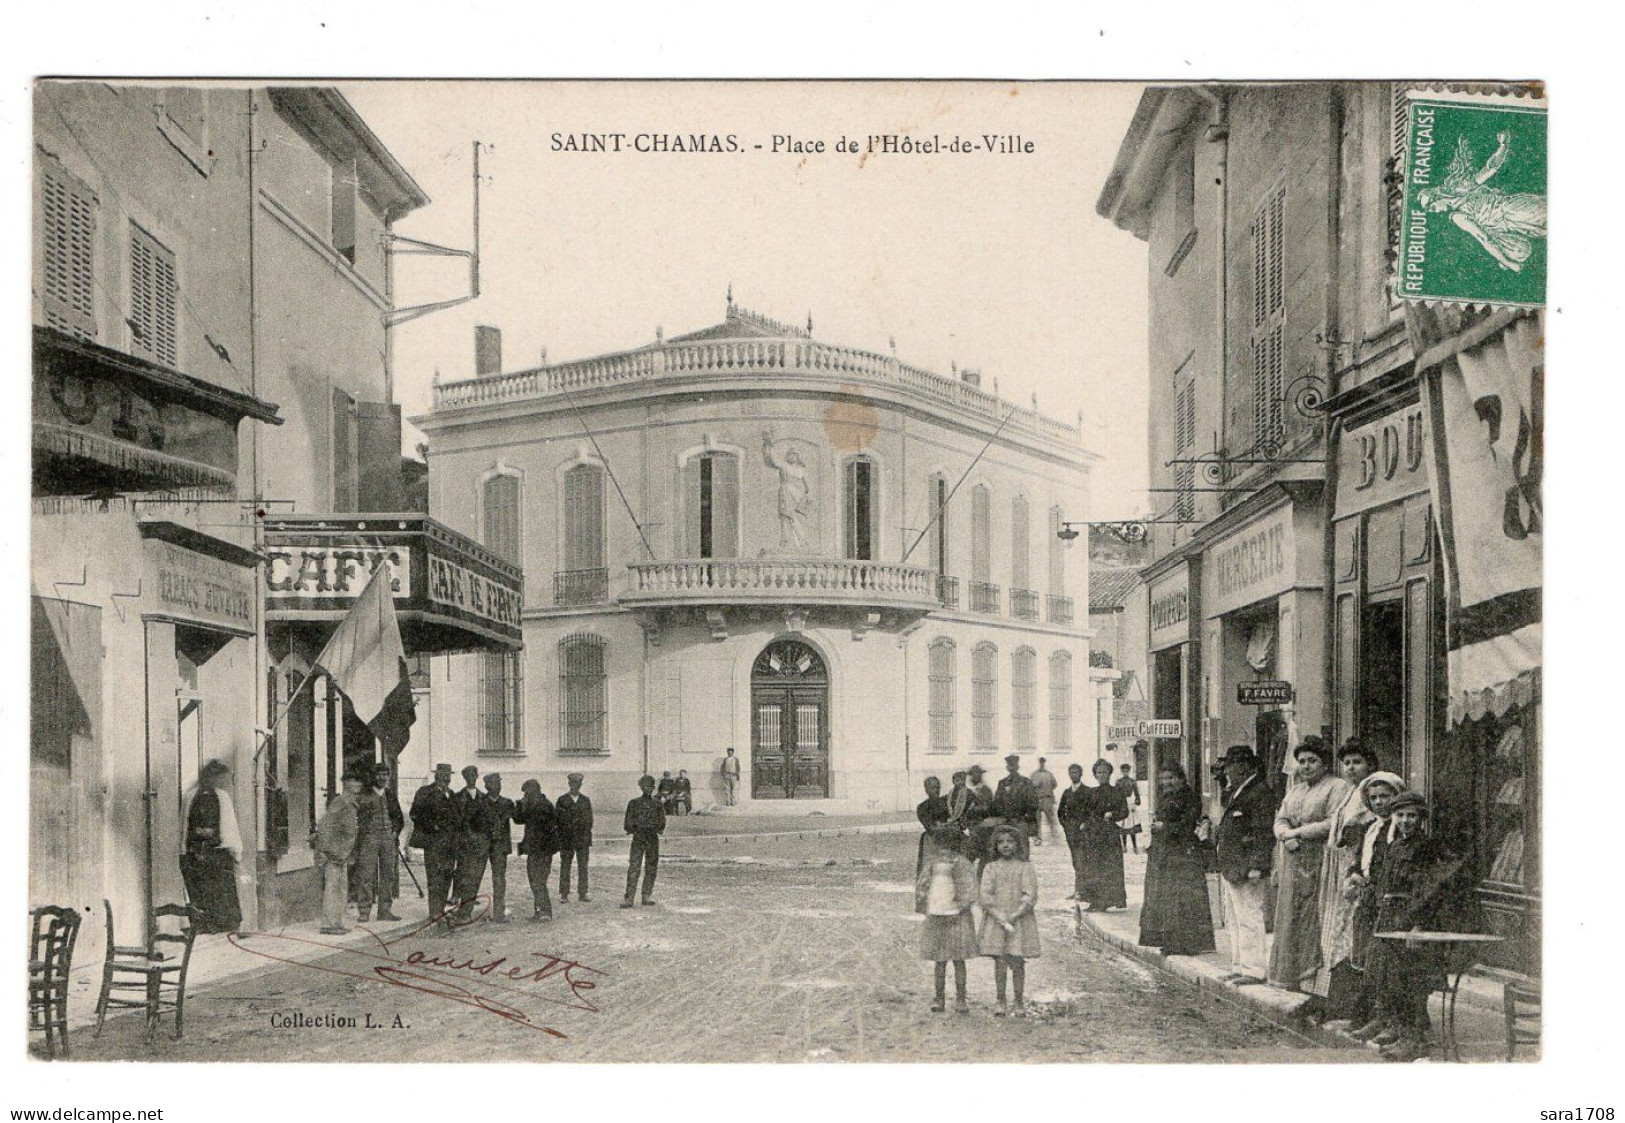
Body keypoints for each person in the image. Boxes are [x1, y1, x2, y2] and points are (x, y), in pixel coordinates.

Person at [1356, 791, 1473, 1062]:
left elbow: (1430, 890)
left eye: (1411, 815)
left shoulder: (1427, 847)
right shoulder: (1396, 846)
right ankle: (1395, 1026)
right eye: (1401, 815)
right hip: (1388, 917)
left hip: (1411, 919)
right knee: (1385, 975)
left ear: (1421, 818)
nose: (1406, 820)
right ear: (1394, 817)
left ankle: (1415, 1038)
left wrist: (1419, 925)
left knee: (1410, 980)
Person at [1267, 737, 1351, 991]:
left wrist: (1298, 833)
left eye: (1312, 761)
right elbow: (1280, 818)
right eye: (1302, 761)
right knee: (1290, 916)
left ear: (1324, 763)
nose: (1306, 766)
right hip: (1293, 861)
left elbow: (1332, 822)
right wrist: (1284, 834)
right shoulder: (1296, 789)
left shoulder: (1337, 787)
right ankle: (1291, 977)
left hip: (1321, 860)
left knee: (1314, 918)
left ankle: (1313, 983)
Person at [1310, 740, 1383, 1021]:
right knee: (1337, 933)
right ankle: (1334, 1000)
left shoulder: (1374, 792)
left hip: (1358, 868)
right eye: (1347, 763)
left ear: (1370, 765)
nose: (1351, 768)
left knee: (1352, 935)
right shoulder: (1351, 792)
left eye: (1357, 762)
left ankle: (1354, 1005)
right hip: (1341, 867)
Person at [1342, 771, 1407, 1036]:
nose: (1380, 802)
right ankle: (1373, 1016)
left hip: (1388, 902)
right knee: (1367, 959)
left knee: (1385, 963)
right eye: (1374, 798)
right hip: (1368, 900)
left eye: (1385, 797)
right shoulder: (1371, 828)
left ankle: (1389, 1019)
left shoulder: (1399, 828)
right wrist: (1354, 875)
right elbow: (1361, 861)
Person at [1137, 761, 1216, 957]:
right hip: (1165, 853)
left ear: (1181, 778)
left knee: (1181, 900)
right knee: (1167, 898)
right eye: (1163, 779)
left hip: (1182, 854)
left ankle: (1185, 943)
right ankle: (1169, 939)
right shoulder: (1166, 797)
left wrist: (1165, 828)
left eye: (1171, 778)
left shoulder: (1189, 798)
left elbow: (1188, 825)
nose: (1167, 782)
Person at [1213, 745, 1276, 985]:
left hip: (1247, 865)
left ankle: (1254, 969)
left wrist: (1258, 865)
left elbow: (1263, 833)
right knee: (1236, 918)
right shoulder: (1240, 790)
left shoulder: (1259, 792)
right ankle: (1240, 965)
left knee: (1250, 916)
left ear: (1244, 766)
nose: (1228, 770)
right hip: (1233, 865)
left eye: (1231, 765)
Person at [978, 825, 1040, 1017]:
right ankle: (1000, 999)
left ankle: (1019, 1001)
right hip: (997, 920)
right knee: (1000, 961)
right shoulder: (990, 868)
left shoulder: (1025, 867)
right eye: (1001, 842)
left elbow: (1030, 895)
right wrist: (999, 916)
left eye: (1010, 842)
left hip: (1019, 920)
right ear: (995, 846)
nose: (1005, 846)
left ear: (1017, 845)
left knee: (1018, 960)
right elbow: (985, 896)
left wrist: (1014, 915)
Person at [916, 825, 978, 1014]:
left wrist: (960, 906)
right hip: (936, 914)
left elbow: (969, 889)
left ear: (956, 845)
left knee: (959, 960)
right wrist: (925, 902)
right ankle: (939, 997)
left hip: (957, 916)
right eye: (941, 844)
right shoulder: (931, 864)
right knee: (939, 960)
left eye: (948, 845)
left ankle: (961, 998)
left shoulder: (962, 864)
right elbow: (922, 885)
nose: (944, 849)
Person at [180, 759, 244, 934]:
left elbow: (185, 827)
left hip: (201, 851)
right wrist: (235, 851)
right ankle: (215, 923)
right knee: (212, 888)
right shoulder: (217, 797)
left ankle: (213, 923)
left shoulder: (194, 796)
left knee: (209, 888)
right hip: (213, 852)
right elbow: (229, 829)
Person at [312, 771, 363, 936]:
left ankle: (337, 922)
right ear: (344, 783)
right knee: (333, 888)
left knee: (341, 888)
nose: (357, 784)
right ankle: (329, 923)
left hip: (342, 854)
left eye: (359, 781)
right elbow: (325, 826)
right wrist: (329, 851)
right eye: (353, 780)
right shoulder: (340, 802)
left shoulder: (350, 802)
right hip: (334, 854)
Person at [409, 763, 460, 926]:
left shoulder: (451, 794)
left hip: (449, 843)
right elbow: (415, 814)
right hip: (433, 841)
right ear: (436, 775)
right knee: (434, 875)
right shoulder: (425, 793)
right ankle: (434, 912)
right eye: (443, 774)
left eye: (448, 775)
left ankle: (441, 909)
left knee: (446, 875)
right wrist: (432, 826)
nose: (446, 777)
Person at [353, 762, 403, 923]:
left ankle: (385, 910)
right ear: (374, 776)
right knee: (366, 874)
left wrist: (395, 832)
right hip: (370, 838)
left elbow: (398, 817)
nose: (382, 778)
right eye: (379, 774)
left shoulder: (390, 794)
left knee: (388, 874)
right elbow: (357, 817)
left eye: (385, 775)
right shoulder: (364, 795)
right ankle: (364, 910)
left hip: (388, 838)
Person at [1077, 759, 1129, 911]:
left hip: (1109, 835)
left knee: (1109, 868)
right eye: (1099, 772)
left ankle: (1108, 900)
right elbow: (1085, 812)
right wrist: (1084, 823)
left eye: (1105, 772)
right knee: (1094, 867)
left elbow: (1124, 811)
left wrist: (1112, 814)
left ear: (1110, 774)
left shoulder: (1116, 792)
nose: (1102, 775)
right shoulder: (1091, 793)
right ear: (1094, 775)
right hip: (1094, 835)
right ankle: (1096, 900)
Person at [514, 779, 560, 921]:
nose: (525, 796)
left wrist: (524, 806)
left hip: (543, 851)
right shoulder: (535, 805)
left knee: (538, 881)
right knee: (536, 881)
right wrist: (519, 805)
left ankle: (544, 912)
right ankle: (540, 911)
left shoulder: (543, 806)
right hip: (536, 850)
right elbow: (518, 819)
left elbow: (537, 825)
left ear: (534, 791)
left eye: (527, 793)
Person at [622, 775, 667, 908]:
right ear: (641, 787)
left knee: (651, 867)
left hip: (652, 839)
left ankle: (646, 895)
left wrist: (651, 828)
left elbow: (662, 823)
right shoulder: (633, 803)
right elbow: (627, 824)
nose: (648, 789)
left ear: (654, 788)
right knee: (634, 867)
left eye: (651, 787)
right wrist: (638, 828)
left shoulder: (657, 804)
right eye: (645, 787)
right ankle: (629, 897)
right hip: (638, 838)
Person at [451, 765, 487, 922]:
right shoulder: (458, 797)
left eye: (473, 775)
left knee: (475, 876)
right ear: (464, 779)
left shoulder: (483, 797)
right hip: (464, 842)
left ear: (477, 777)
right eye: (467, 776)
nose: (470, 779)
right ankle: (461, 903)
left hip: (479, 844)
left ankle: (466, 908)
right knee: (463, 874)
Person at [480, 773, 517, 923]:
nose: (499, 787)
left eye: (499, 784)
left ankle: (498, 912)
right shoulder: (480, 802)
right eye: (495, 784)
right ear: (488, 787)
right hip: (483, 845)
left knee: (499, 878)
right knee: (474, 877)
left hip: (500, 847)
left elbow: (519, 817)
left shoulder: (507, 803)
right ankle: (466, 912)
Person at [556, 773, 594, 902]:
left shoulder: (585, 800)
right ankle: (564, 893)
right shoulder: (562, 800)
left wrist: (585, 834)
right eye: (572, 783)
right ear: (569, 784)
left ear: (580, 785)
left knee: (583, 866)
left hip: (582, 839)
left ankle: (583, 892)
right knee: (565, 865)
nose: (574, 786)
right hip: (567, 839)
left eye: (577, 784)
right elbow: (558, 820)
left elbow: (590, 821)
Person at [1057, 763, 1091, 900]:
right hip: (1071, 833)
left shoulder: (1087, 791)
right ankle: (1078, 890)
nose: (1074, 775)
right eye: (1071, 772)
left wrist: (1086, 824)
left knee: (1083, 859)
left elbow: (1091, 811)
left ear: (1081, 774)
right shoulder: (1067, 793)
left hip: (1084, 832)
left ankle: (1084, 891)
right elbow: (1060, 812)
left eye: (1076, 772)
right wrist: (1066, 826)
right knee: (1075, 860)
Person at [992, 753, 1039, 849]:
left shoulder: (1026, 782)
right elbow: (997, 802)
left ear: (1018, 766)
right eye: (1009, 765)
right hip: (1005, 821)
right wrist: (1003, 815)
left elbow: (1032, 804)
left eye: (1013, 765)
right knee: (1004, 848)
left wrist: (1029, 822)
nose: (1011, 767)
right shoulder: (1002, 783)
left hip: (1021, 821)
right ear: (1007, 767)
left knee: (1022, 848)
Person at [915, 776, 952, 875]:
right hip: (932, 840)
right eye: (932, 788)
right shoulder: (922, 807)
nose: (936, 790)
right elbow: (930, 827)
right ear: (926, 789)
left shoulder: (947, 801)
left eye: (937, 787)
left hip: (949, 837)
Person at [1029, 757, 1060, 845]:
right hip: (1037, 800)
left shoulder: (1049, 774)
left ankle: (1055, 838)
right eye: (1040, 763)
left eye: (1043, 763)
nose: (1041, 764)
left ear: (1044, 763)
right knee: (1037, 821)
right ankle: (1038, 839)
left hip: (1047, 799)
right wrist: (1035, 785)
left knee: (1051, 819)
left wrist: (1048, 790)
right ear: (1038, 763)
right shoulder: (1033, 774)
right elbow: (1029, 785)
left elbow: (1055, 784)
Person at [1116, 762, 1143, 854]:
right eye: (1123, 771)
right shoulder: (1118, 782)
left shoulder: (1132, 781)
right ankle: (1124, 846)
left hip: (1130, 803)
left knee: (1132, 826)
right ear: (1121, 771)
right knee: (1123, 825)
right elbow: (1115, 794)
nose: (1125, 773)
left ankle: (1135, 846)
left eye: (1127, 771)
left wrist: (1136, 803)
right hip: (1121, 803)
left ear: (1129, 771)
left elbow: (1137, 794)